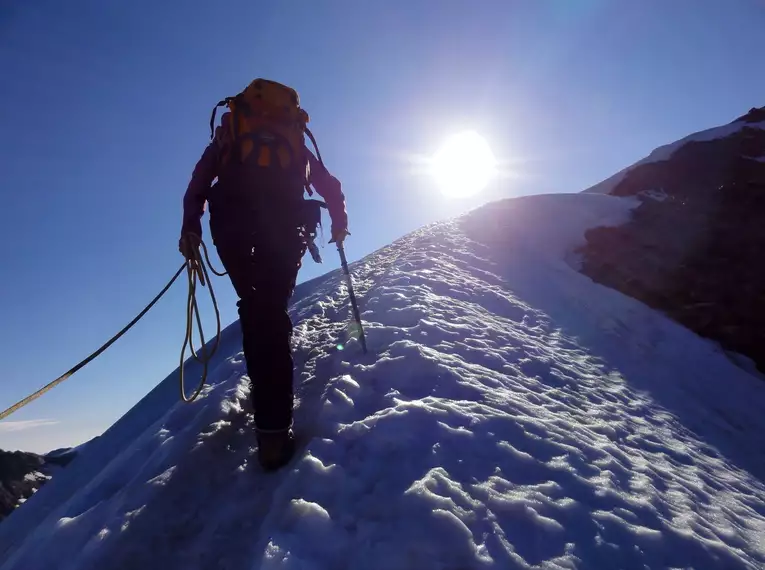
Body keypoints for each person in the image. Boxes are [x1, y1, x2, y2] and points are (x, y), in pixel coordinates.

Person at [179, 81, 348, 471]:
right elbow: (329, 185)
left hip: (234, 231)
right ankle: (273, 431)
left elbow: (197, 187)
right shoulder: (295, 141)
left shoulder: (228, 138)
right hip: (286, 229)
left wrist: (190, 229)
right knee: (269, 314)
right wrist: (339, 223)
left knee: (258, 311)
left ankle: (269, 413)